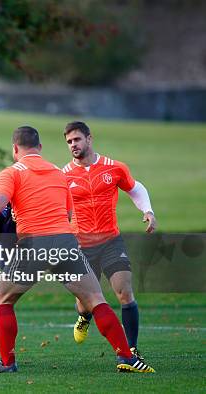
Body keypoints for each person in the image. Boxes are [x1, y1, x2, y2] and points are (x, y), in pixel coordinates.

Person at [0, 126, 155, 374]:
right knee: (96, 300)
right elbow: (67, 212)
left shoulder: (10, 173)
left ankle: (8, 364)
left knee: (3, 299)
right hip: (65, 242)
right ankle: (128, 358)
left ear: (15, 149)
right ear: (40, 148)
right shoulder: (58, 172)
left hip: (34, 244)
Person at [61, 121, 156, 358]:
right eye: (69, 142)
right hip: (80, 246)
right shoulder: (62, 175)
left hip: (111, 241)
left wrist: (148, 211)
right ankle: (84, 317)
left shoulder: (114, 168)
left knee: (124, 292)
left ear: (89, 139)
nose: (73, 145)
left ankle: (131, 350)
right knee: (86, 303)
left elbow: (135, 188)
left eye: (77, 139)